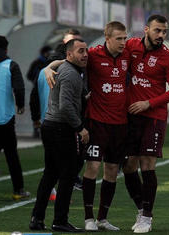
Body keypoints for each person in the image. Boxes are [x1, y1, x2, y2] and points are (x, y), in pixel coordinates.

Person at [43, 22, 130, 231]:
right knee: (92, 167)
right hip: (97, 122)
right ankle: (88, 218)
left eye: (125, 38)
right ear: (107, 38)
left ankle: (103, 218)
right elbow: (67, 59)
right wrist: (48, 67)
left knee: (111, 170)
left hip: (120, 123)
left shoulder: (129, 54)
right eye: (119, 38)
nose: (123, 42)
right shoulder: (92, 55)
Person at [122, 14, 169, 233]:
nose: (161, 35)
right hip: (131, 116)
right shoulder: (130, 46)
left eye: (164, 31)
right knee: (128, 165)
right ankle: (141, 208)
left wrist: (148, 103)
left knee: (147, 164)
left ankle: (146, 217)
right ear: (146, 29)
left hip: (154, 118)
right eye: (157, 30)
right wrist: (54, 64)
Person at [29, 38, 89, 233]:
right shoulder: (70, 74)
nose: (85, 54)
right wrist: (80, 128)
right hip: (61, 128)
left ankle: (37, 219)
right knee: (68, 175)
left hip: (50, 125)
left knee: (50, 174)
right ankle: (60, 221)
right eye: (80, 51)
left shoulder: (66, 68)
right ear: (69, 54)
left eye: (86, 50)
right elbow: (65, 106)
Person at [0, 35, 30, 200]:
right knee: (11, 156)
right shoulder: (10, 65)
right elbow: (19, 87)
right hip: (5, 119)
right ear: (6, 49)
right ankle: (19, 189)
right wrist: (21, 104)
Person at [28, 45, 51, 138]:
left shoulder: (48, 62)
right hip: (39, 86)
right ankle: (36, 129)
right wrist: (36, 80)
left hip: (44, 87)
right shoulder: (37, 63)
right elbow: (29, 75)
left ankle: (41, 128)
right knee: (37, 106)